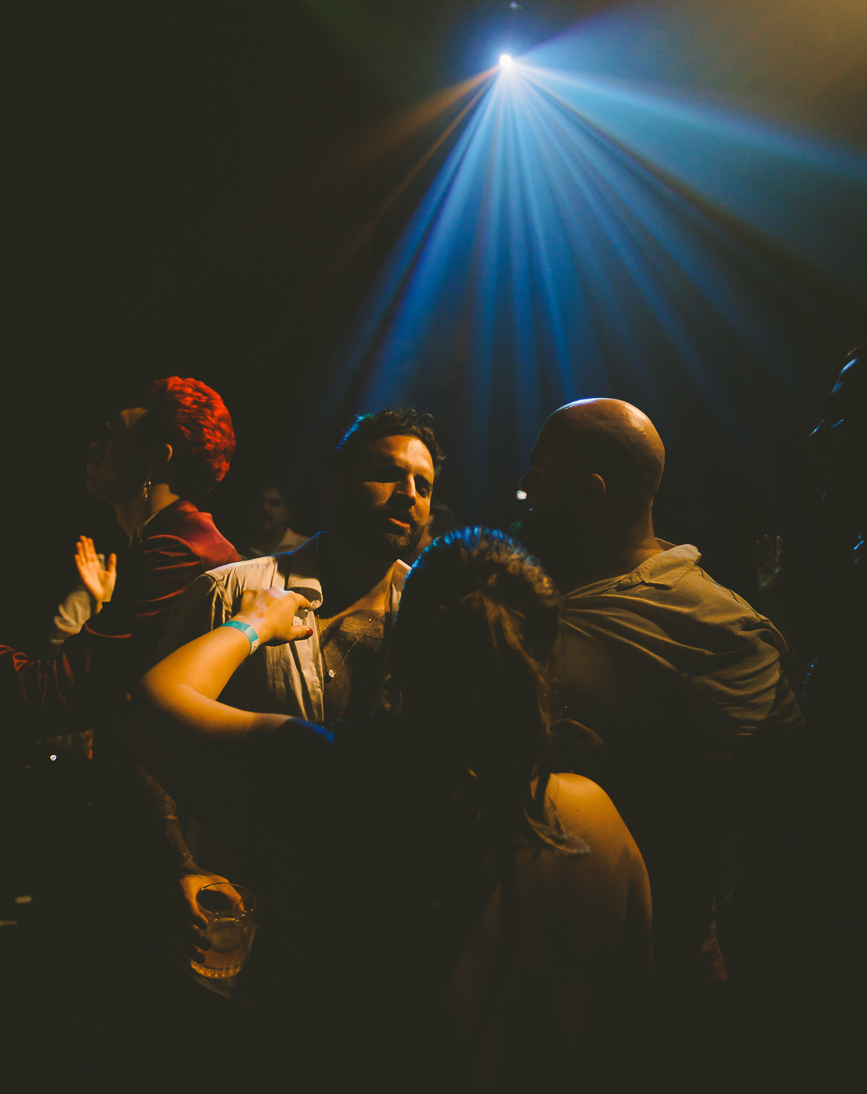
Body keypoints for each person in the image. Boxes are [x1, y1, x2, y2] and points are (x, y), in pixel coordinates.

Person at [135, 529, 651, 1089]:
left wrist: (253, 622)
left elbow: (155, 704)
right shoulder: (599, 821)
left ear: (399, 647)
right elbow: (628, 1040)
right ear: (548, 656)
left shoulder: (344, 779)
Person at [517, 397, 802, 981]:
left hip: (652, 971)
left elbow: (788, 807)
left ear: (590, 494)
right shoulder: (542, 596)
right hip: (537, 961)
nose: (522, 489)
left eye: (538, 477)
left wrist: (618, 773)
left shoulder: (715, 627)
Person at [154, 407, 442, 725]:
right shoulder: (229, 591)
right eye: (388, 474)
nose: (410, 495)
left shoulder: (436, 614)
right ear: (335, 487)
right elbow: (152, 731)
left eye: (424, 486)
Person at [1, 376, 240, 730]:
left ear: (157, 456)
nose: (96, 443)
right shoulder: (172, 538)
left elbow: (61, 694)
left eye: (114, 432)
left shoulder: (181, 550)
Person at [234, 478, 309, 559]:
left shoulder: (306, 549)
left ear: (287, 513)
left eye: (274, 503)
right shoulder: (236, 550)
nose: (264, 508)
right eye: (259, 501)